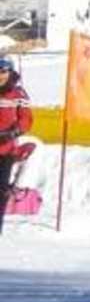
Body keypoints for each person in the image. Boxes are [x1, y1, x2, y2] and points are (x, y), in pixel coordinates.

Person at [0, 55, 32, 238]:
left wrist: (15, 132)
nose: (0, 75)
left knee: (1, 189)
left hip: (6, 149)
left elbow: (26, 119)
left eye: (3, 71)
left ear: (10, 72)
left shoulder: (18, 93)